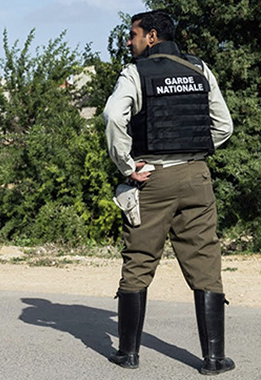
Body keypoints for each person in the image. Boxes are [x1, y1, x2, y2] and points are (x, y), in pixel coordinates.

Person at [103, 10, 235, 375]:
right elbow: (224, 125)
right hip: (196, 176)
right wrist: (195, 153)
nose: (129, 42)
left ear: (152, 36)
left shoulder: (135, 73)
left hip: (152, 179)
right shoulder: (199, 69)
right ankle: (213, 360)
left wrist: (128, 166)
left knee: (139, 261)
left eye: (133, 35)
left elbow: (113, 117)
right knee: (205, 263)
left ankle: (128, 354)